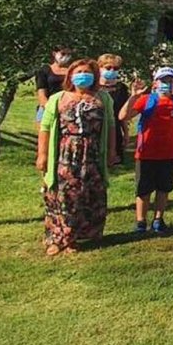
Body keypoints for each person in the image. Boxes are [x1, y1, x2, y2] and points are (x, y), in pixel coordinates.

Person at [36, 58, 119, 255]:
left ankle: (76, 237)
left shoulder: (102, 98)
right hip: (65, 152)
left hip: (91, 152)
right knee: (63, 194)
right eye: (79, 71)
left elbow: (111, 125)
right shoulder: (58, 98)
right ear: (71, 75)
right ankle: (57, 238)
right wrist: (42, 154)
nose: (83, 75)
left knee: (88, 193)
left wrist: (112, 151)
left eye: (87, 72)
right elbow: (45, 128)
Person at [121, 67, 173, 234]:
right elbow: (123, 116)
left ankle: (159, 219)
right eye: (163, 80)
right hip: (146, 153)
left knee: (164, 188)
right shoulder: (146, 100)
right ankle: (141, 221)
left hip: (169, 153)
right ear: (155, 82)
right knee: (143, 189)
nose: (166, 84)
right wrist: (133, 96)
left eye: (170, 80)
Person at [96, 54, 130, 166]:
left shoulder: (122, 88)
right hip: (95, 127)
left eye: (115, 68)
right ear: (100, 67)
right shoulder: (93, 87)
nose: (112, 70)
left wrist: (126, 133)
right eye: (108, 68)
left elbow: (123, 113)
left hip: (114, 128)